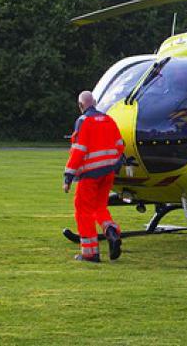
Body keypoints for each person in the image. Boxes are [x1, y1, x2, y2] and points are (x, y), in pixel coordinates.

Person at [63, 91, 125, 263]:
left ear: (81, 105)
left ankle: (90, 253)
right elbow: (120, 146)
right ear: (95, 102)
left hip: (90, 174)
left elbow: (78, 150)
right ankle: (111, 232)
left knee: (83, 211)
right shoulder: (109, 120)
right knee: (99, 207)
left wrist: (68, 176)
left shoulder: (83, 121)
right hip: (108, 172)